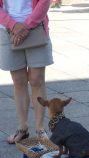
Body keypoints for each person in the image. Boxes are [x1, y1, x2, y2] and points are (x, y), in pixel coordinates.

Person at [0, 0, 53, 144]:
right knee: (19, 82)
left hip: (36, 26)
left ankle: (40, 129)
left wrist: (26, 26)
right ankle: (22, 128)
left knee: (37, 80)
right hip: (7, 29)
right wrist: (13, 25)